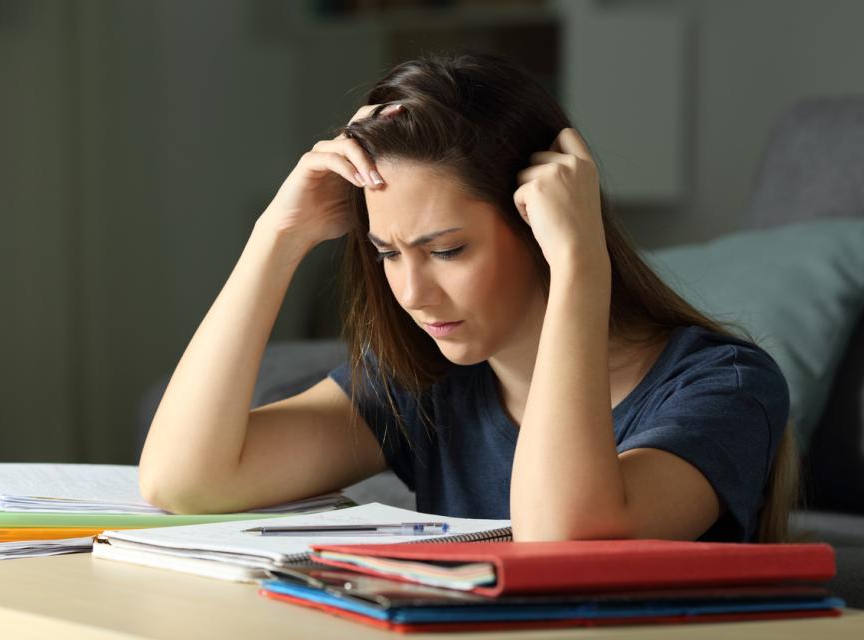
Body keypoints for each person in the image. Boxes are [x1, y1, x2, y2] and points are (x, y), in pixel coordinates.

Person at [138, 51, 799, 543]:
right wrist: (276, 238)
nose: (412, 294)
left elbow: (563, 540)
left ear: (540, 226)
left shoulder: (727, 386)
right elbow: (185, 480)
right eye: (388, 254)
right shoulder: (424, 386)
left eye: (448, 250)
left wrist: (581, 266)